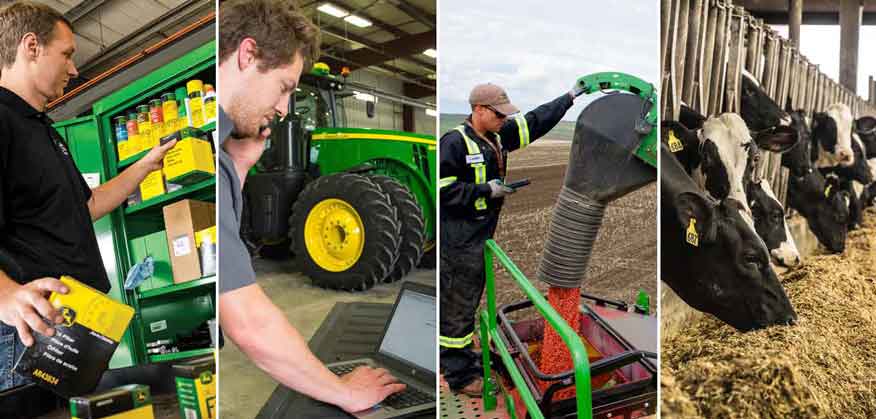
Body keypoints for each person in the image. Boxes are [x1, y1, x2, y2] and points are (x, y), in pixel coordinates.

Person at [215, 0, 405, 413]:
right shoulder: (208, 152)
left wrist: (243, 165)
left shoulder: (220, 150)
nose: (284, 109)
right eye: (284, 87)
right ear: (247, 55)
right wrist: (344, 392)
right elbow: (247, 320)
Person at [0, 0, 176, 411]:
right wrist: (5, 295)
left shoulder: (43, 129)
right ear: (31, 47)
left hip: (75, 323)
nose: (74, 68)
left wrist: (146, 166)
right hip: (25, 331)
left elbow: (89, 206)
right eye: (67, 53)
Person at [438, 82, 585, 395]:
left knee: (468, 299)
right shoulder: (454, 143)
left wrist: (569, 97)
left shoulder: (497, 136)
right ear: (478, 110)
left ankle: (463, 358)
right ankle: (459, 375)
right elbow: (443, 190)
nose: (504, 119)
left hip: (480, 235)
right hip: (459, 240)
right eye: (498, 113)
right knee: (457, 305)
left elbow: (534, 121)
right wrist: (485, 190)